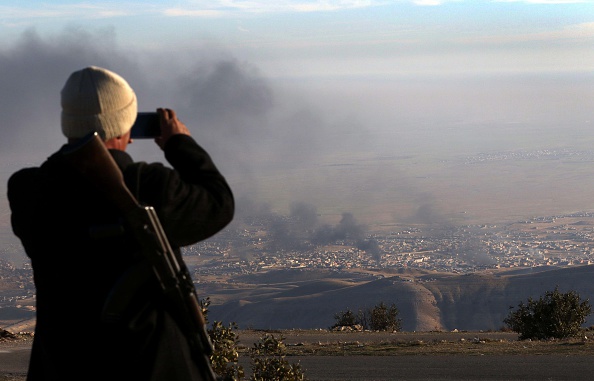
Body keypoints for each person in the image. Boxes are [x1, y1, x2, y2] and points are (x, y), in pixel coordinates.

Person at [7, 66, 234, 380]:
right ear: (124, 125)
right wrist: (180, 144)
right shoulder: (149, 185)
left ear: (67, 123)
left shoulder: (27, 191)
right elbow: (219, 205)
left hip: (63, 366)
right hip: (150, 365)